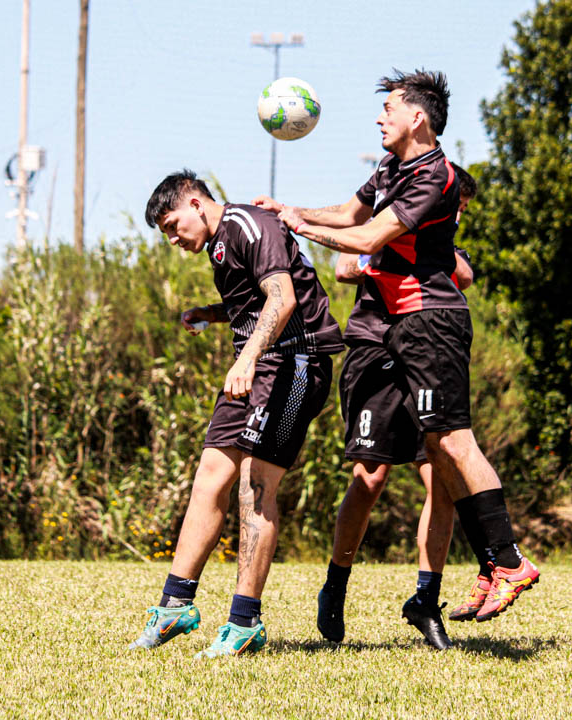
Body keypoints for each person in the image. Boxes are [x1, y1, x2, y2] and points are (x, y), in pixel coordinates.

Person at [258, 69, 539, 629]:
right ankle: (493, 566)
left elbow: (366, 239)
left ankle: (507, 561)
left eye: (388, 109)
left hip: (431, 321)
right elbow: (351, 215)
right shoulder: (391, 167)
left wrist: (301, 228)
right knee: (430, 450)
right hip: (395, 327)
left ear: (418, 116)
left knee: (453, 443)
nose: (379, 118)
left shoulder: (435, 175)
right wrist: (293, 210)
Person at [129, 170, 344, 658]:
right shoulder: (220, 245)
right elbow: (251, 302)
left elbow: (282, 298)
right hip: (258, 364)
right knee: (210, 476)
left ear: (195, 203)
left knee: (255, 487)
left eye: (172, 225)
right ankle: (175, 606)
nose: (172, 239)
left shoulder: (250, 224)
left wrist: (245, 360)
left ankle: (244, 621)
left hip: (294, 362)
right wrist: (210, 312)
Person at [311, 165, 477, 651]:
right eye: (454, 206)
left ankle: (426, 600)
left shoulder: (442, 246)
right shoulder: (387, 224)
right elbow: (345, 266)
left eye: (461, 210)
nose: (455, 215)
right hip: (374, 346)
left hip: (427, 350)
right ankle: (335, 586)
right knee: (370, 477)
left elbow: (465, 274)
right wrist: (381, 249)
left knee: (442, 477)